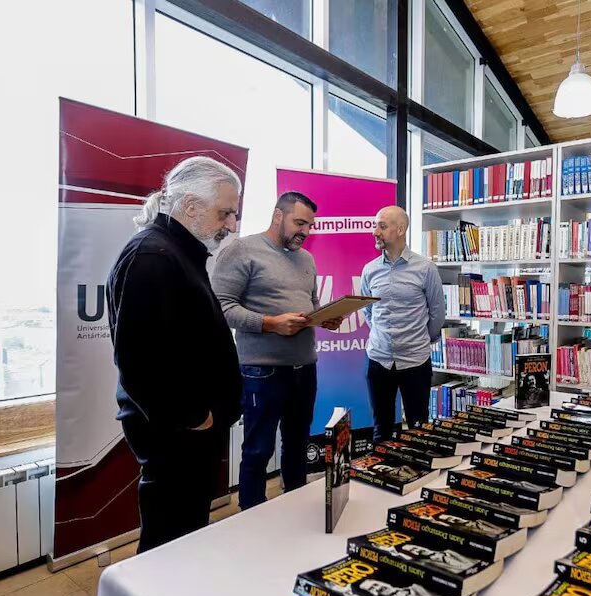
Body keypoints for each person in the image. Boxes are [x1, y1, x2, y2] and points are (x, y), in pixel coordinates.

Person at [106, 156, 242, 552]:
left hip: (189, 432)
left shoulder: (176, 251)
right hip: (177, 434)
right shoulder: (153, 256)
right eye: (225, 213)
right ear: (191, 206)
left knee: (185, 533)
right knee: (168, 542)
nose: (232, 224)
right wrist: (195, 417)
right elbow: (139, 362)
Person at [212, 191, 342, 508]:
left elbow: (310, 303)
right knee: (258, 450)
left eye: (310, 225)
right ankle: (252, 515)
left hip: (304, 368)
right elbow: (219, 307)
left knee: (297, 444)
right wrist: (270, 323)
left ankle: (293, 508)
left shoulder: (306, 259)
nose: (305, 231)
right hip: (261, 370)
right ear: (277, 216)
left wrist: (323, 317)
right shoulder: (242, 251)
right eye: (299, 223)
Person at [361, 206, 445, 441]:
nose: (375, 232)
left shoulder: (425, 268)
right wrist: (383, 337)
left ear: (400, 229)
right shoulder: (369, 270)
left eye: (382, 226)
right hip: (379, 360)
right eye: (375, 226)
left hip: (415, 361)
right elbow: (368, 311)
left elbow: (437, 313)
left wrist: (419, 339)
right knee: (381, 430)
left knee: (419, 429)